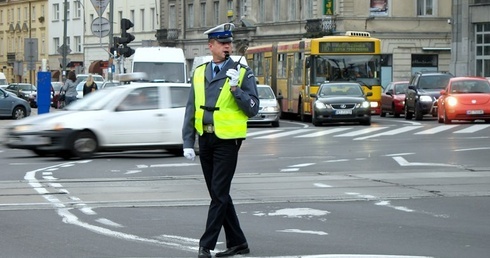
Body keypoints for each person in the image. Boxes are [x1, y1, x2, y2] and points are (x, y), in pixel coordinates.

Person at [182, 23, 259, 258]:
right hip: (205, 139)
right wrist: (187, 141)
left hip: (228, 140)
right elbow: (191, 108)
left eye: (229, 43)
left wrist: (236, 88)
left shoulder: (242, 72)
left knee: (218, 192)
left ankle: (205, 245)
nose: (227, 47)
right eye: (222, 43)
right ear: (211, 46)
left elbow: (253, 108)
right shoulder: (199, 72)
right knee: (219, 193)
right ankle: (239, 243)